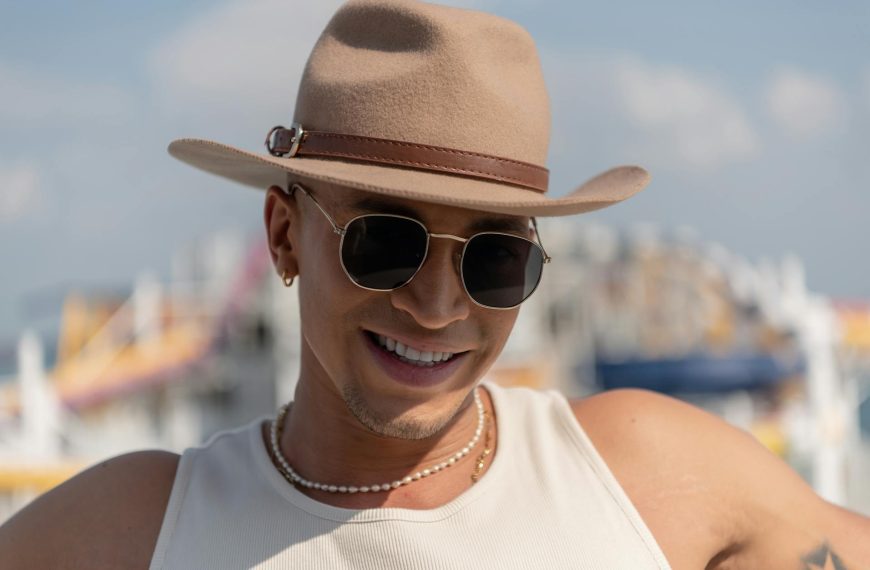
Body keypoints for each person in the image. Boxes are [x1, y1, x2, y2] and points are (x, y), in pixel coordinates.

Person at [2, 0, 870, 568]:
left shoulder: (649, 475)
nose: (440, 304)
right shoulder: (130, 532)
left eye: (495, 257)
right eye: (386, 243)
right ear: (283, 235)